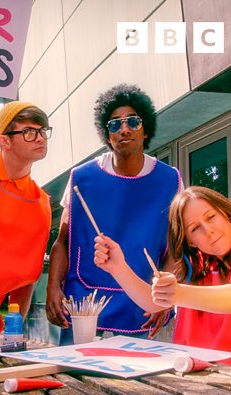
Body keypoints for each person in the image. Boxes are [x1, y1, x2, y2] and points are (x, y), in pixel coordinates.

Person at [46, 84, 182, 344]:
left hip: (142, 305)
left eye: (133, 121)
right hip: (84, 304)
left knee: (138, 373)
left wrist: (164, 297)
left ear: (145, 129)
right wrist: (53, 286)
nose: (124, 129)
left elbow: (175, 249)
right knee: (75, 371)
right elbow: (62, 241)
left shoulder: (170, 179)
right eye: (115, 124)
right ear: (107, 134)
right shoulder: (81, 178)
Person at [94, 186, 231, 375]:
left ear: (226, 214)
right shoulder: (198, 261)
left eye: (211, 217)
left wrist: (178, 293)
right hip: (199, 373)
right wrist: (118, 267)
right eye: (195, 228)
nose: (208, 231)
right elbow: (154, 301)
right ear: (190, 241)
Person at [0, 101, 52, 348]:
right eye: (29, 132)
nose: (40, 137)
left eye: (42, 131)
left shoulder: (40, 203)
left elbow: (26, 281)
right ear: (4, 141)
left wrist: (13, 333)